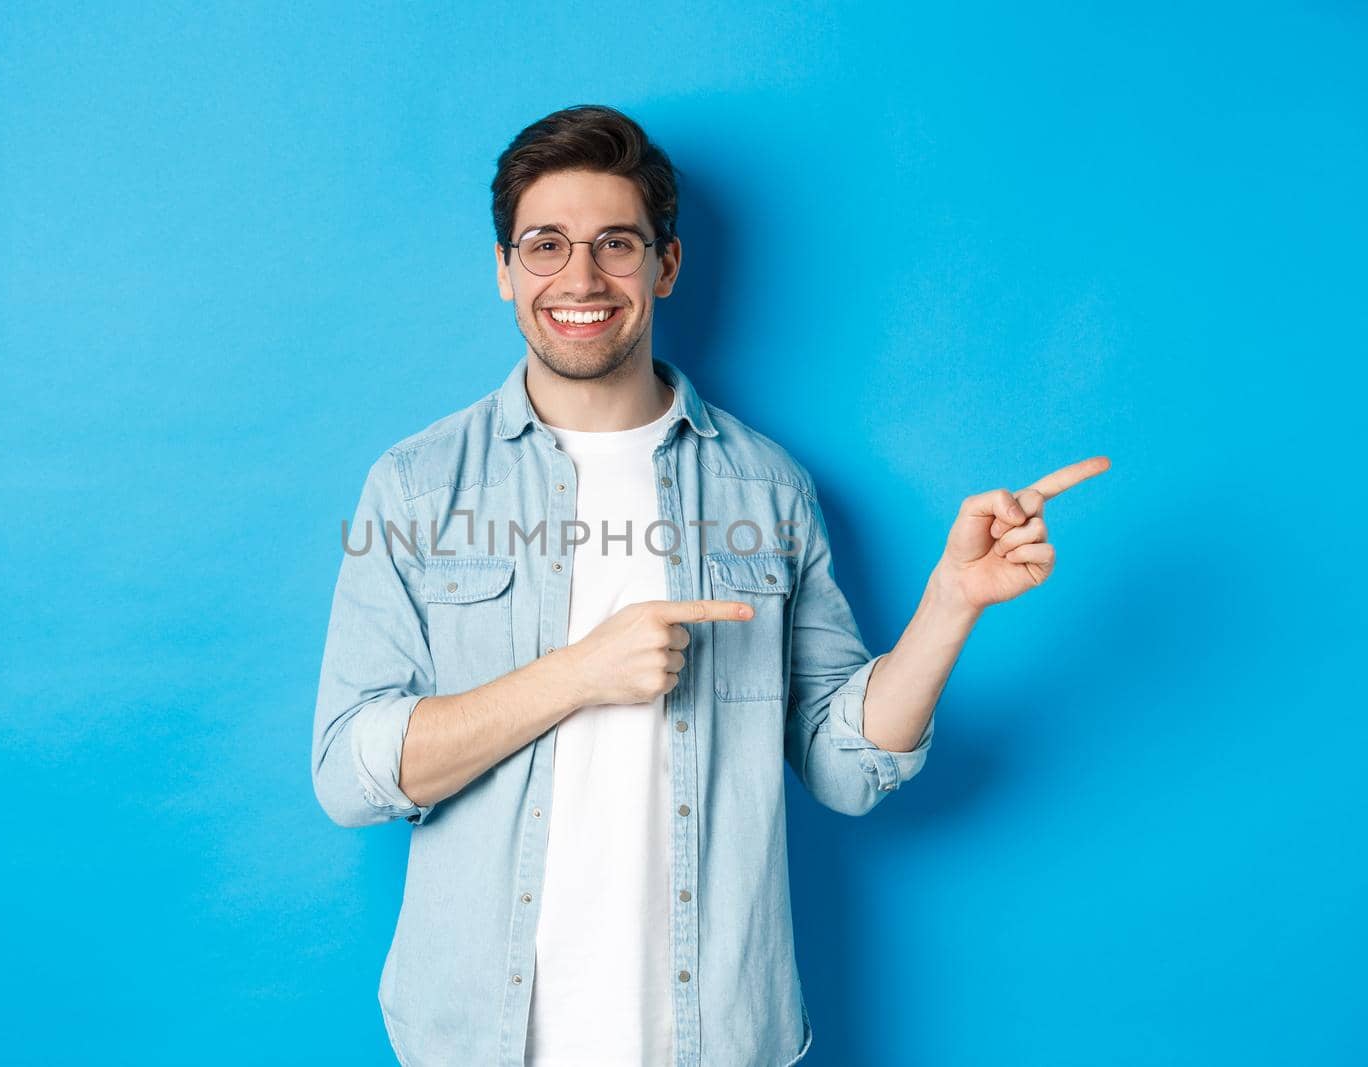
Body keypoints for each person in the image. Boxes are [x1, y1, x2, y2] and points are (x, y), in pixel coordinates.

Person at [311, 104, 1109, 1067]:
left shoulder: (766, 488)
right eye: (544, 245)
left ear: (666, 265)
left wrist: (952, 603)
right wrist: (579, 672)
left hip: (715, 1035)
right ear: (503, 270)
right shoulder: (417, 485)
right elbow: (351, 771)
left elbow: (845, 769)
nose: (579, 278)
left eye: (615, 243)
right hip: (480, 1036)